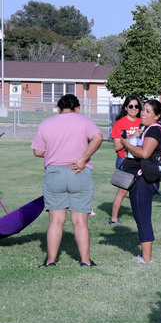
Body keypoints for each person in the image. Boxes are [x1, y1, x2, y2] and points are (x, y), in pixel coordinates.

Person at [31, 94, 103, 267]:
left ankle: (50, 261)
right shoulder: (84, 121)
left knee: (56, 221)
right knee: (80, 221)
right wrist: (83, 158)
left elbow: (37, 151)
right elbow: (98, 137)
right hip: (79, 172)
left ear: (58, 108)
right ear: (77, 108)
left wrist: (54, 151)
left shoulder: (46, 123)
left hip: (54, 173)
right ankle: (85, 261)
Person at [119, 99, 161, 264]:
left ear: (157, 116)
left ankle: (146, 259)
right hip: (141, 178)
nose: (143, 113)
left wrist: (127, 144)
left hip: (143, 181)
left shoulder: (153, 130)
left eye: (148, 111)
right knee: (141, 216)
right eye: (143, 110)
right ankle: (145, 256)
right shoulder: (147, 129)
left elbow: (145, 153)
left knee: (143, 218)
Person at [108, 95, 144, 225]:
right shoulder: (119, 124)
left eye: (137, 106)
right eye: (131, 106)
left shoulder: (142, 122)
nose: (134, 108)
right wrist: (131, 136)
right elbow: (117, 147)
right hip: (125, 160)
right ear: (126, 108)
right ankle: (113, 219)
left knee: (140, 191)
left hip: (140, 160)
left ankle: (141, 217)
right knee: (123, 191)